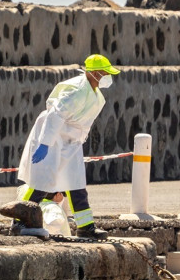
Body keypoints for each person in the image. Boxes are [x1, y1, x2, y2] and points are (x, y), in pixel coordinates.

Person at [16, 54, 119, 240]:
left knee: (76, 183)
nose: (108, 76)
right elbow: (55, 116)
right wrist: (45, 143)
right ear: (94, 73)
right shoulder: (77, 90)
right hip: (55, 138)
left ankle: (86, 227)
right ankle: (19, 221)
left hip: (70, 141)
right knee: (41, 181)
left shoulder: (93, 93)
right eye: (105, 72)